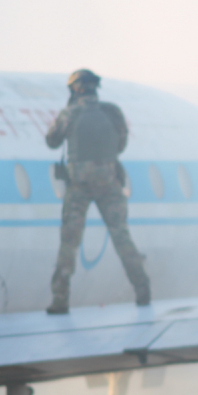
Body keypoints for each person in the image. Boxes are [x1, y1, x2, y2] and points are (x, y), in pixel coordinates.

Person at [44, 69, 150, 314]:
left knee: (69, 244)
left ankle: (60, 300)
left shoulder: (69, 114)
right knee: (122, 238)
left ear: (75, 89)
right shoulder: (112, 112)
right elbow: (121, 144)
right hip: (109, 184)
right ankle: (142, 290)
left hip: (79, 187)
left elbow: (52, 141)